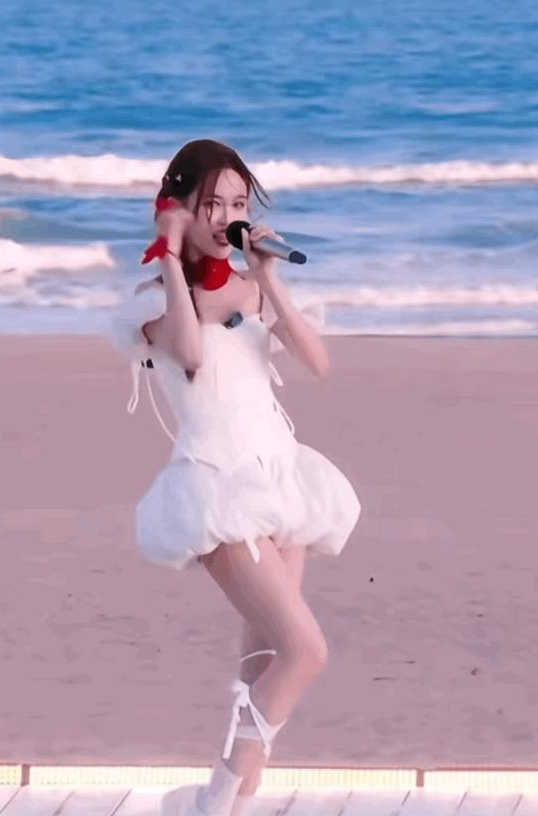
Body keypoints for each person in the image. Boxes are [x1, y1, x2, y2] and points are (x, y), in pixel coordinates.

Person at [111, 139, 361, 816]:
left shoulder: (252, 288)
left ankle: (234, 802)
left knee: (266, 657)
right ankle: (215, 797)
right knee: (306, 651)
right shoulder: (152, 303)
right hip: (217, 489)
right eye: (211, 204)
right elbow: (192, 353)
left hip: (280, 478)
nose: (227, 217)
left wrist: (269, 278)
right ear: (177, 208)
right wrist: (169, 258)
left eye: (238, 203)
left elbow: (318, 362)